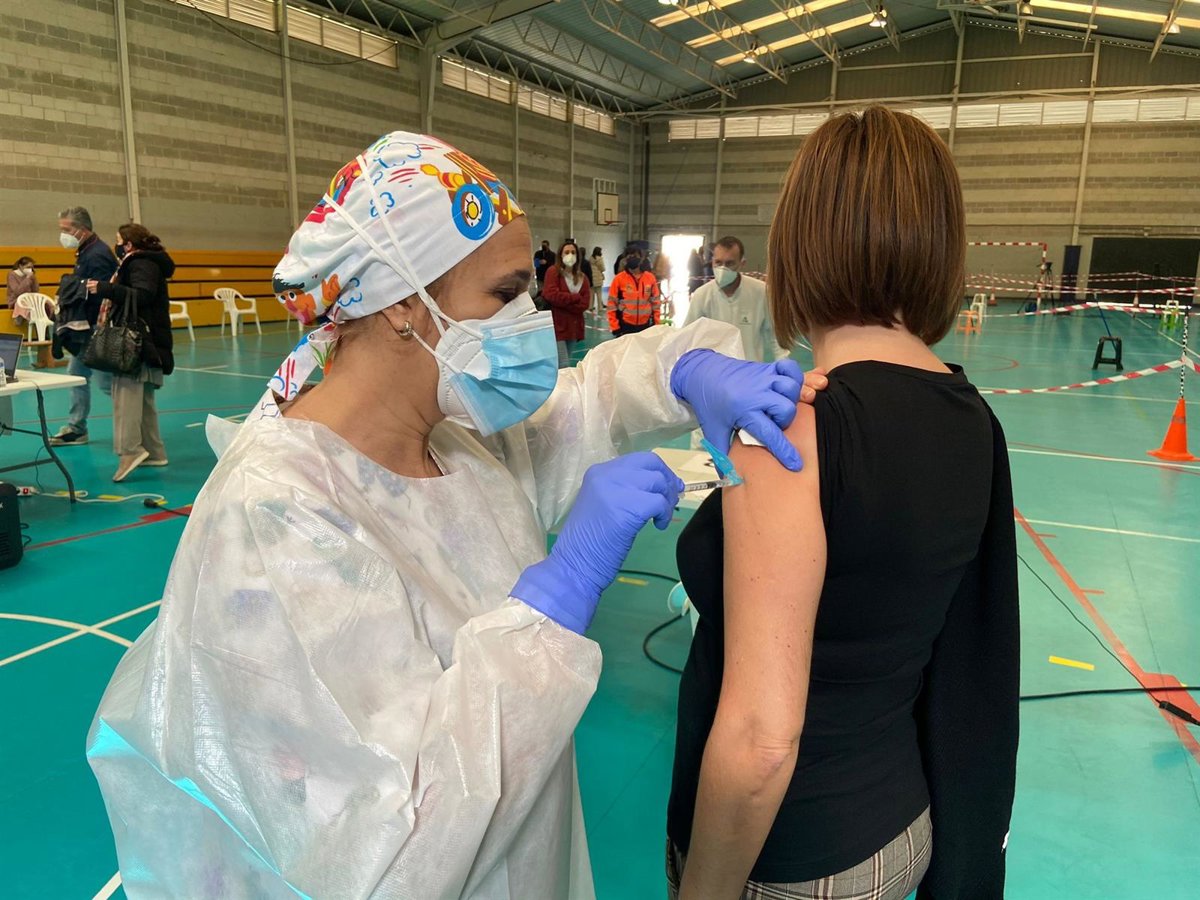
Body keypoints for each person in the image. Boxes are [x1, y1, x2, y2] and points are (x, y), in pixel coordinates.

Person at [87, 132, 818, 900]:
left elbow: (586, 400)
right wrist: (555, 601)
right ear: (405, 304)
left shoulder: (453, 439)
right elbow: (390, 848)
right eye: (505, 295)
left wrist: (685, 369)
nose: (529, 318)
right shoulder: (276, 520)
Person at [667, 107, 1019, 900]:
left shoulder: (789, 431)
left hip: (792, 857)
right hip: (901, 826)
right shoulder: (973, 420)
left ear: (800, 247)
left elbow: (762, 741)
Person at [85, 224, 174, 482]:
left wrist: (105, 288)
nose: (116, 245)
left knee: (125, 397)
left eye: (118, 240)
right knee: (143, 400)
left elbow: (143, 295)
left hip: (137, 341)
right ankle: (154, 452)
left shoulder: (141, 263)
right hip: (147, 339)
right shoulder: (146, 261)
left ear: (129, 244)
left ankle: (129, 451)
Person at [50, 206, 118, 447]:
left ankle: (135, 426)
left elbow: (100, 295)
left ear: (82, 229)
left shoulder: (96, 255)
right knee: (76, 376)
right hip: (84, 330)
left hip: (94, 330)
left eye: (66, 229)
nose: (63, 234)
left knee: (107, 384)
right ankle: (77, 428)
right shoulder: (85, 251)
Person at [684, 236, 790, 363]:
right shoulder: (702, 295)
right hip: (715, 370)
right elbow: (687, 336)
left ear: (742, 263)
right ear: (712, 262)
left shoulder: (761, 292)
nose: (723, 268)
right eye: (718, 262)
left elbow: (775, 334)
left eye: (729, 263)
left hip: (750, 369)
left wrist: (784, 361)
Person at [542, 240, 590, 367]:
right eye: (567, 252)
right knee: (563, 364)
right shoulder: (553, 272)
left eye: (573, 252)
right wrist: (575, 298)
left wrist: (564, 302)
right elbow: (551, 295)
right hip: (557, 326)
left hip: (573, 327)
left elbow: (585, 303)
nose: (570, 255)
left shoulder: (582, 278)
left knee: (566, 361)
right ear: (561, 255)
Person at [608, 250, 660, 337]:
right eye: (629, 257)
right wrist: (615, 327)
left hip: (645, 325)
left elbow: (656, 302)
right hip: (625, 325)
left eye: (635, 256)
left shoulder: (650, 278)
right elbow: (612, 304)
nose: (632, 259)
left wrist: (656, 323)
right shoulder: (619, 279)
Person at [589, 246, 606, 314]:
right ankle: (600, 307)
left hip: (592, 277)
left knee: (591, 294)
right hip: (598, 277)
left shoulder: (590, 258)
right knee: (599, 294)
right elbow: (603, 268)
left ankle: (590, 307)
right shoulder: (600, 259)